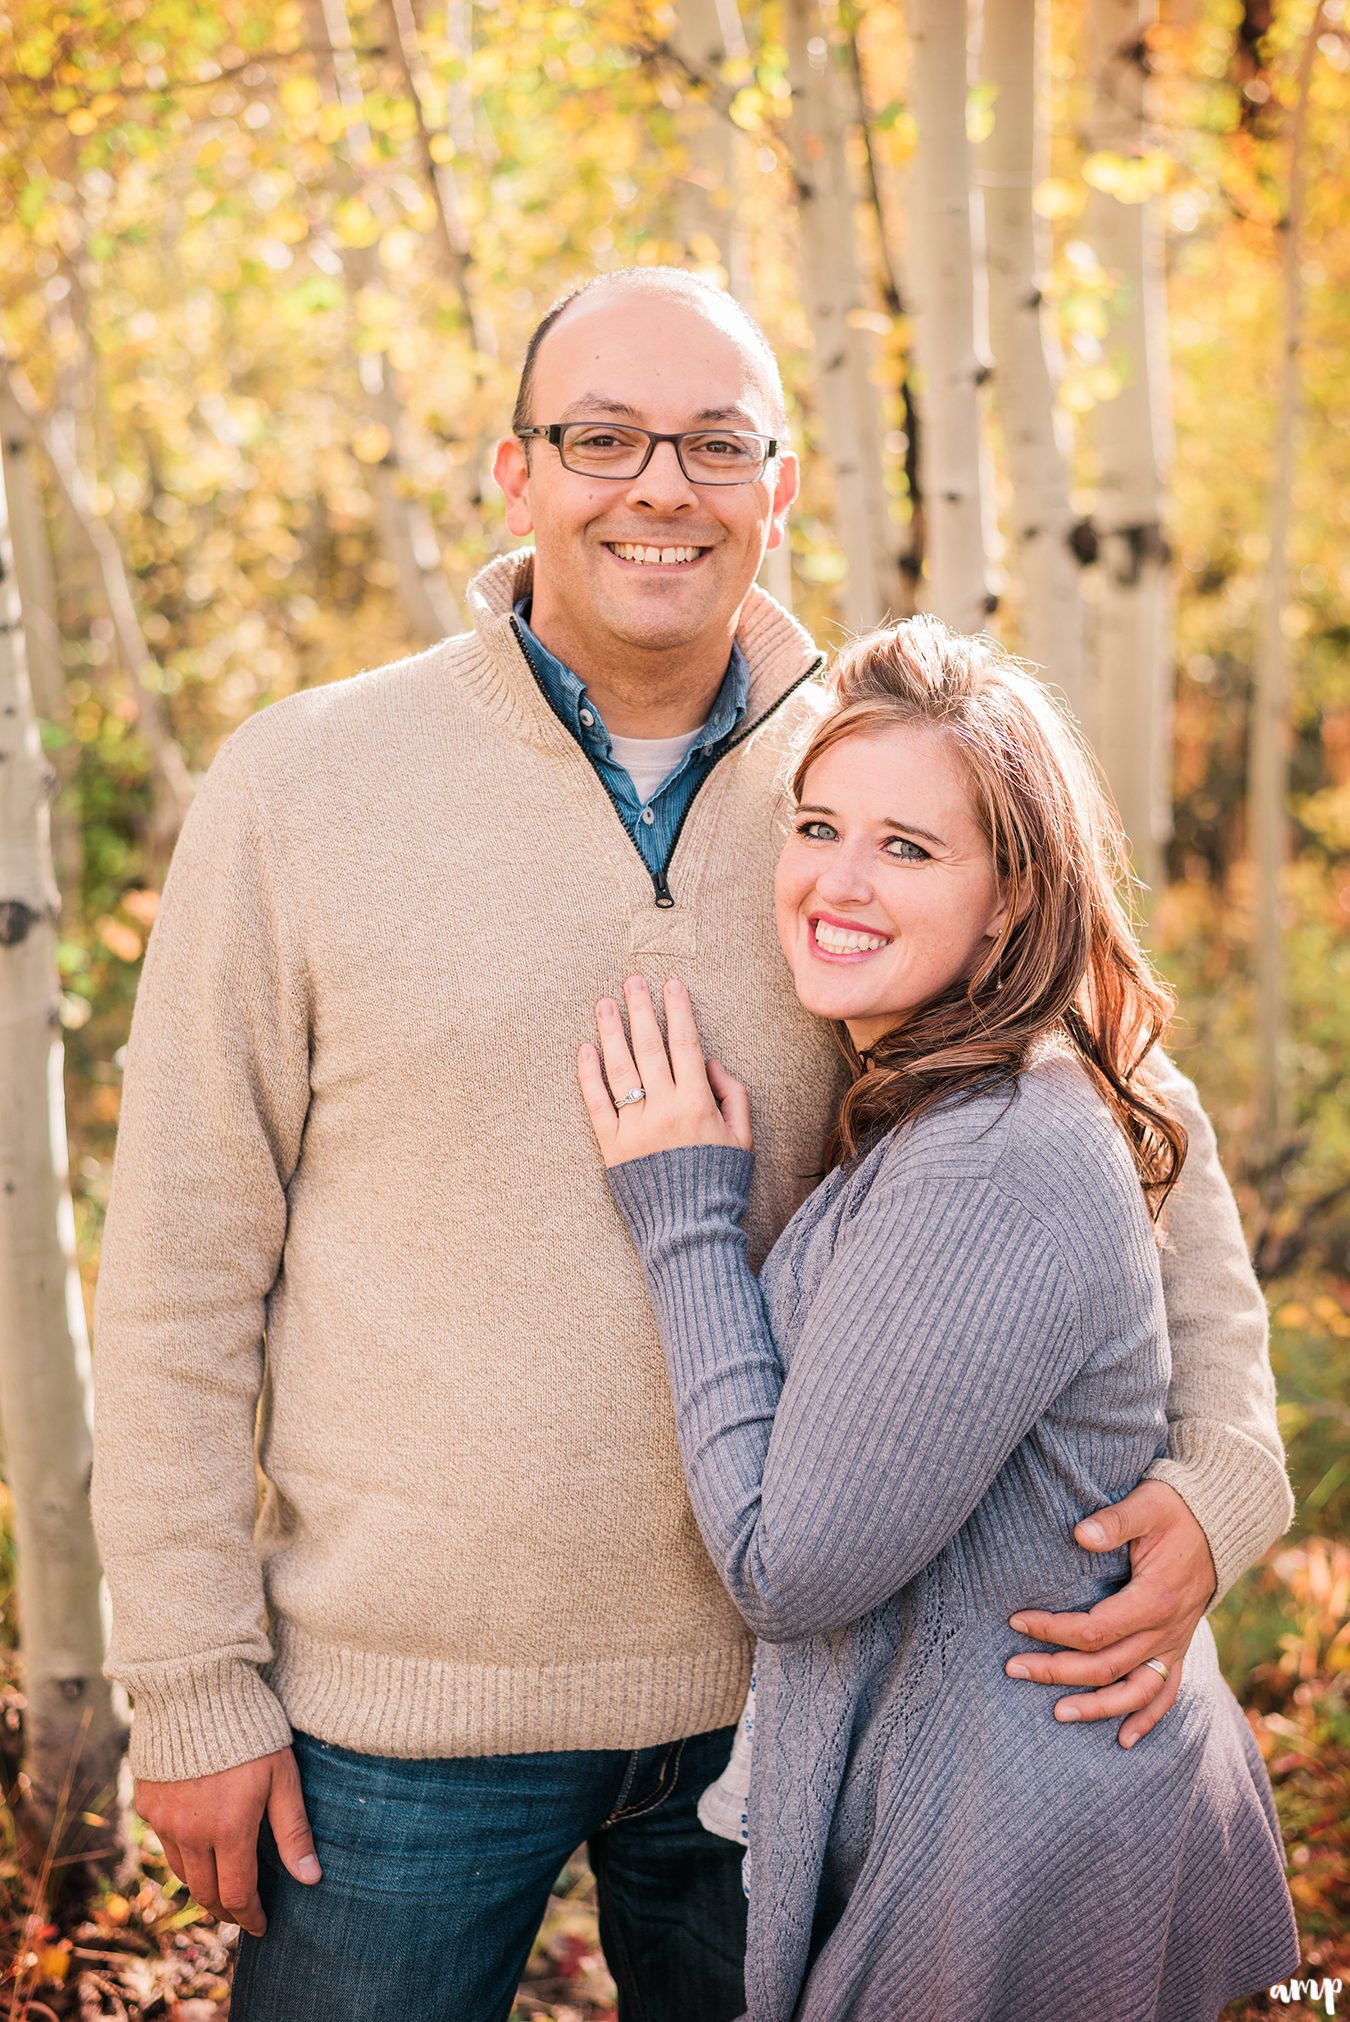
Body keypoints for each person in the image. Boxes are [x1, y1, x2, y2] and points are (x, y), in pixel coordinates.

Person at [90, 269, 1293, 2022]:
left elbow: (1130, 1120)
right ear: (515, 473)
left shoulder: (880, 782)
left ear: (776, 486)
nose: (659, 484)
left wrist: (1219, 1472)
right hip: (396, 1718)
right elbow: (182, 1268)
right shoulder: (303, 786)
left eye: (714, 443)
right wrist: (191, 1680)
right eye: (601, 438)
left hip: (802, 1705)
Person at [578, 617, 1300, 2020]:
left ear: (1008, 898)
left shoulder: (995, 1143)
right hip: (990, 1805)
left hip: (1021, 1852)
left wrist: (681, 1215)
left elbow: (790, 1566)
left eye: (907, 848)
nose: (837, 882)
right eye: (818, 827)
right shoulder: (954, 1093)